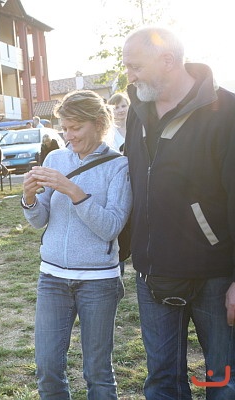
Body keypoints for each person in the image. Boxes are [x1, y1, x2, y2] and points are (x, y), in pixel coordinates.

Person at [122, 26, 235, 399]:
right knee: (161, 382)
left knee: (223, 380)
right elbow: (133, 181)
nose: (129, 76)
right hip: (153, 272)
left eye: (135, 66)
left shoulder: (227, 111)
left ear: (167, 60)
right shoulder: (137, 111)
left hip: (215, 276)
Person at [22, 90, 131, 399]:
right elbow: (39, 220)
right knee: (47, 368)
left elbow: (110, 227)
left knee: (98, 372)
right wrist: (29, 198)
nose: (68, 136)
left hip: (99, 281)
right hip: (52, 278)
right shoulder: (55, 158)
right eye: (65, 128)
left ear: (98, 123)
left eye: (76, 128)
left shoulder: (119, 166)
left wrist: (73, 191)